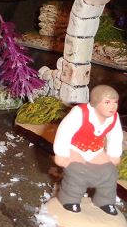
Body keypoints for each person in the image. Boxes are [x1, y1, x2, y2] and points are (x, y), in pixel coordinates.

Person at [52, 84, 123, 216]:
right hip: (75, 148)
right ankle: (69, 199)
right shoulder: (80, 112)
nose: (113, 106)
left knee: (110, 172)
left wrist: (114, 154)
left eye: (115, 102)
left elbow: (116, 136)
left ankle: (105, 201)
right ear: (96, 102)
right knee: (77, 172)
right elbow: (64, 132)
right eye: (107, 102)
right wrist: (61, 153)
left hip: (95, 150)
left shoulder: (114, 117)